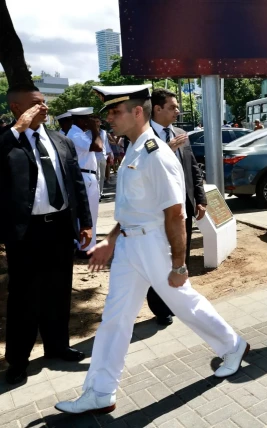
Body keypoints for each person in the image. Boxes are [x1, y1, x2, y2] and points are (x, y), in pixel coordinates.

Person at [55, 84, 248, 415]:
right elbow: (132, 209)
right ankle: (100, 391)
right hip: (130, 246)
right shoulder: (132, 150)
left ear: (137, 112)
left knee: (185, 304)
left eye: (115, 112)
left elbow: (175, 213)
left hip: (154, 246)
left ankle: (233, 346)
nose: (109, 120)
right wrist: (111, 239)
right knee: (115, 319)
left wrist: (179, 264)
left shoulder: (156, 155)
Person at [0, 84, 93, 385]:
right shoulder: (7, 141)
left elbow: (76, 183)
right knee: (24, 298)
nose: (44, 107)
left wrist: (85, 221)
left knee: (58, 290)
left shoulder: (59, 140)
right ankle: (17, 361)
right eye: (35, 103)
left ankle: (57, 345)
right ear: (17, 108)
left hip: (60, 227)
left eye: (44, 102)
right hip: (26, 232)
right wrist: (17, 130)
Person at [147, 88, 207, 326]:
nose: (178, 111)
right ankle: (160, 308)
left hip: (182, 208)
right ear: (157, 108)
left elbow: (193, 168)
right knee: (159, 259)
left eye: (177, 107)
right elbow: (143, 168)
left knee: (181, 257)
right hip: (157, 211)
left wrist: (200, 198)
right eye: (172, 107)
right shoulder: (143, 135)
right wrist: (167, 149)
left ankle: (177, 299)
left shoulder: (181, 133)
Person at [66, 107, 102, 257]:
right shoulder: (75, 134)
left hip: (88, 175)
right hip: (84, 176)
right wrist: (95, 130)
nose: (91, 122)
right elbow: (98, 146)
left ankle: (86, 246)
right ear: (81, 120)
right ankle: (85, 248)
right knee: (88, 214)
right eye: (89, 119)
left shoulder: (79, 133)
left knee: (90, 213)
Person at [91, 116, 112, 201]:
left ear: (100, 122)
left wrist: (109, 153)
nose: (97, 123)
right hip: (94, 156)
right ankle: (97, 194)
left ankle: (101, 192)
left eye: (98, 121)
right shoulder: (89, 132)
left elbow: (106, 144)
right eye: (95, 121)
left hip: (103, 156)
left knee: (103, 175)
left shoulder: (103, 132)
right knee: (97, 175)